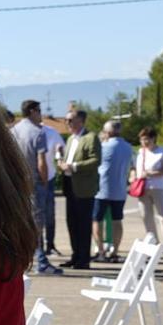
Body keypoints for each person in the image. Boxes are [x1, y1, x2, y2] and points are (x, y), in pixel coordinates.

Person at [11, 99, 61, 275]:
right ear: (32, 111)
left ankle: (26, 258)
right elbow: (41, 163)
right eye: (39, 110)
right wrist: (45, 180)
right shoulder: (38, 132)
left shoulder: (14, 130)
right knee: (38, 221)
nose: (41, 114)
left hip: (19, 183)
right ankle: (40, 260)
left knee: (23, 220)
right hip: (35, 182)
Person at [58, 108, 100, 269]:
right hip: (70, 186)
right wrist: (62, 163)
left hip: (84, 188)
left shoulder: (91, 138)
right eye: (66, 120)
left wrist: (73, 166)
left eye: (70, 120)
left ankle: (84, 259)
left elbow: (96, 160)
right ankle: (75, 256)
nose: (67, 123)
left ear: (81, 121)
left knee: (83, 225)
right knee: (72, 223)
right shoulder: (70, 139)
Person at [93, 120, 133, 262]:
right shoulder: (128, 147)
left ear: (108, 132)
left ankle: (101, 251)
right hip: (120, 189)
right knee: (117, 220)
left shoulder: (104, 146)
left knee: (97, 220)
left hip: (102, 188)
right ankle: (115, 251)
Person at [132, 126, 163, 245]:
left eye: (147, 139)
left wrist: (152, 173)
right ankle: (152, 242)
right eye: (142, 140)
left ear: (153, 138)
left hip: (159, 187)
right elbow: (134, 168)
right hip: (143, 188)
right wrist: (133, 176)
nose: (144, 142)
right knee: (146, 217)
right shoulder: (140, 152)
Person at [42, 118, 66, 255]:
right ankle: (36, 248)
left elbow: (60, 149)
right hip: (30, 179)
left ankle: (49, 244)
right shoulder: (22, 131)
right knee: (34, 217)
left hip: (49, 178)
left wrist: (60, 155)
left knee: (50, 215)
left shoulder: (51, 132)